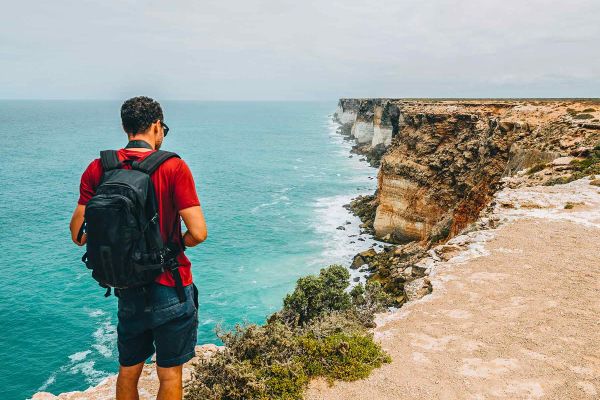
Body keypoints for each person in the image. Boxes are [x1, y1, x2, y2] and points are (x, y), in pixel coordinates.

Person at [69, 96, 207, 400]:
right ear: (157, 126)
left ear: (125, 126)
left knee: (129, 370)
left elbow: (78, 235)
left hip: (127, 285)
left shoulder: (99, 168)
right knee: (169, 373)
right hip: (170, 284)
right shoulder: (173, 167)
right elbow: (198, 233)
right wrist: (174, 244)